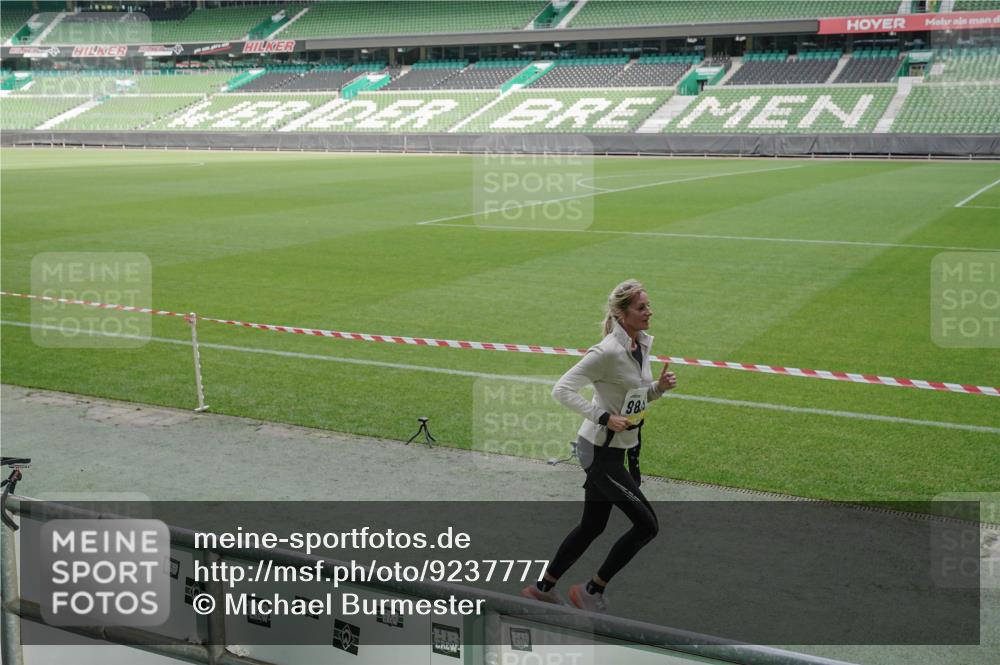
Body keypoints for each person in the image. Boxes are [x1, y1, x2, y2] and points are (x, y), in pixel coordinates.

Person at [522, 279, 677, 612]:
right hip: (599, 452)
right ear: (621, 314)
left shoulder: (640, 345)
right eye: (641, 307)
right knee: (647, 525)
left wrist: (658, 388)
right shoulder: (606, 352)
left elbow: (634, 397)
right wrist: (603, 417)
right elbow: (561, 389)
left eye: (648, 306)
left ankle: (542, 588)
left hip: (619, 450)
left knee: (592, 525)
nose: (649, 312)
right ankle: (592, 590)